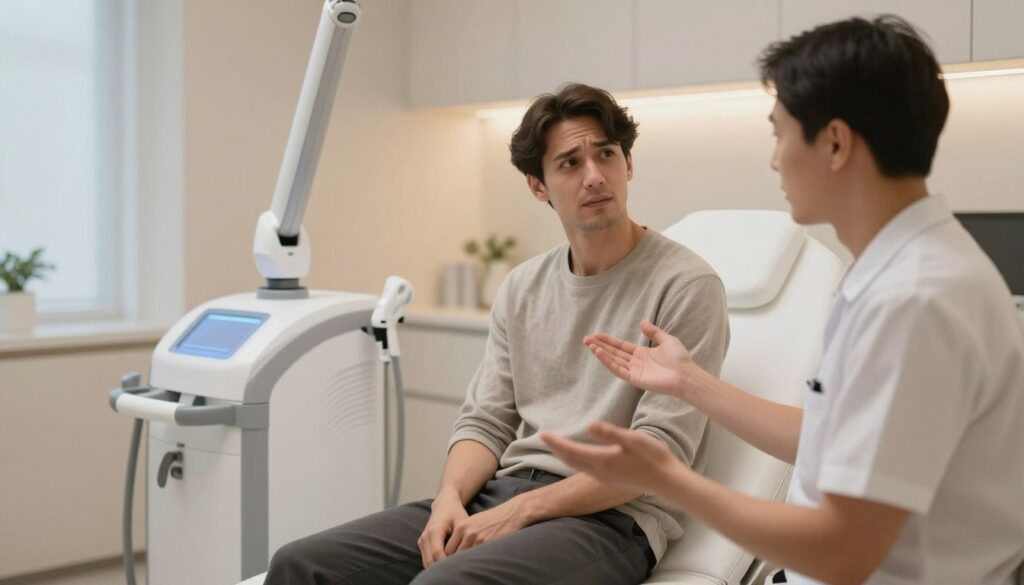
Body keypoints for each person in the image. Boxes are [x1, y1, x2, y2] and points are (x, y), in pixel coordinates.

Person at [543, 16, 1024, 585]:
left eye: (780, 134)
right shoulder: (891, 272)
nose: (774, 160)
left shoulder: (914, 300)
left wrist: (670, 480)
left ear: (836, 143)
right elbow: (831, 437)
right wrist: (689, 381)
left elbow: (843, 552)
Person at [265, 83, 730, 585]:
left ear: (629, 164)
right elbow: (486, 420)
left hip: (610, 520)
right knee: (299, 565)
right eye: (570, 163)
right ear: (538, 186)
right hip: (502, 492)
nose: (594, 175)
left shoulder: (685, 285)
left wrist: (521, 512)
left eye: (606, 154)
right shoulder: (523, 286)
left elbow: (657, 456)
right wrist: (448, 500)